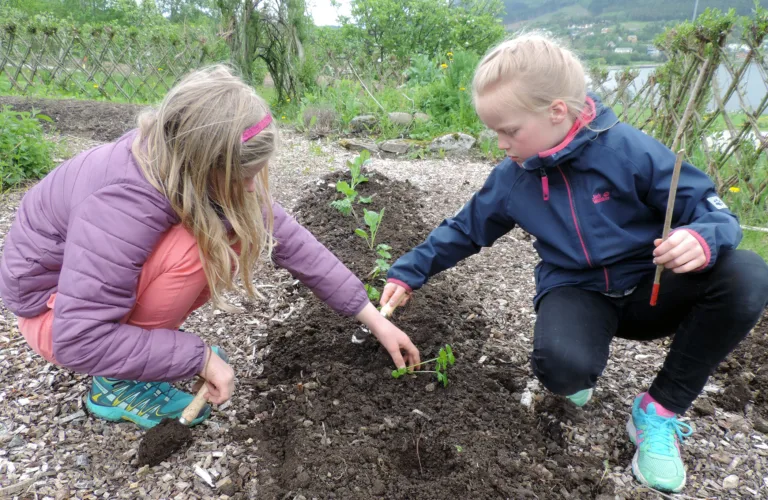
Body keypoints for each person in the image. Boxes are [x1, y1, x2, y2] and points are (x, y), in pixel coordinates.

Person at [379, 33, 768, 493]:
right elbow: (465, 229)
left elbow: (711, 209)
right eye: (494, 132)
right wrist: (409, 271)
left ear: (557, 111)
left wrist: (702, 237)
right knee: (562, 371)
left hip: (654, 287)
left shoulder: (629, 151)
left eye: (509, 131)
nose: (501, 143)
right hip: (578, 290)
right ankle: (580, 363)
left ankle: (658, 410)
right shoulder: (513, 177)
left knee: (747, 276)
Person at [0, 64, 420, 430]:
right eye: (243, 176)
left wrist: (371, 317)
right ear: (202, 163)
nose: (252, 187)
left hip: (80, 302)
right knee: (199, 249)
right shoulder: (121, 202)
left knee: (238, 222)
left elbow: (290, 239)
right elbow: (79, 338)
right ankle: (116, 384)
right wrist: (196, 357)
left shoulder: (173, 158)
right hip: (54, 316)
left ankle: (139, 347)